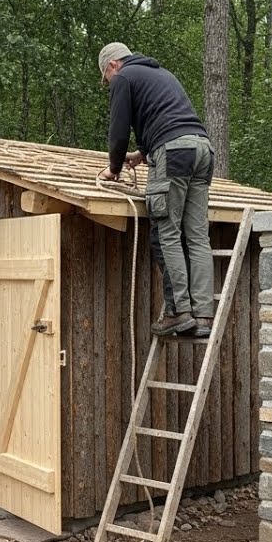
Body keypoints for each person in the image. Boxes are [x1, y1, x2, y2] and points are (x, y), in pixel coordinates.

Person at [98, 42, 215, 337]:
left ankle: (179, 312)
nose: (109, 84)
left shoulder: (123, 77)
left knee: (166, 233)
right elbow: (168, 119)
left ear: (112, 65)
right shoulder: (161, 73)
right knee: (198, 237)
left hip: (173, 153)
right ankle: (203, 316)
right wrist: (144, 153)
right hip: (202, 149)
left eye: (106, 78)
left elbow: (118, 130)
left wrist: (114, 167)